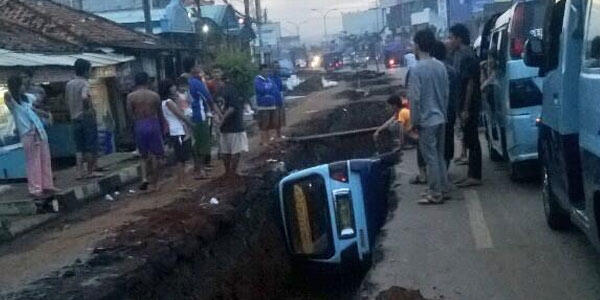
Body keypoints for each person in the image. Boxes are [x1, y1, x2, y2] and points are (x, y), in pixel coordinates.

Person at [408, 29, 450, 204]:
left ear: (417, 45)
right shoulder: (440, 66)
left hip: (426, 120)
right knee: (439, 156)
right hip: (441, 117)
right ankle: (443, 188)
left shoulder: (416, 70)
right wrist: (444, 114)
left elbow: (414, 98)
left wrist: (414, 122)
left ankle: (435, 193)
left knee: (430, 158)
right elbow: (446, 93)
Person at [4, 75, 59, 197]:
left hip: (38, 130)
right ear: (16, 87)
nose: (25, 87)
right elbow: (8, 95)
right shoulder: (13, 101)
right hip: (28, 133)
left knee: (45, 159)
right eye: (22, 85)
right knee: (33, 162)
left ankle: (47, 185)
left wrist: (44, 114)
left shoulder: (27, 99)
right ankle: (35, 189)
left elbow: (34, 109)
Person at [448, 23, 482, 187]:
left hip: (468, 104)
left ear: (459, 38)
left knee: (472, 138)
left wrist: (466, 109)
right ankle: (471, 173)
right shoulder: (459, 54)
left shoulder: (466, 55)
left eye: (451, 37)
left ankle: (475, 175)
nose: (450, 41)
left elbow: (469, 83)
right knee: (468, 138)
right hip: (462, 103)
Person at [127, 72, 165, 192]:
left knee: (143, 156)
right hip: (153, 123)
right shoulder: (154, 95)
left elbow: (129, 114)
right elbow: (160, 113)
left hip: (139, 123)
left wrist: (135, 125)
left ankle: (144, 178)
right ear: (147, 81)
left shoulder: (131, 97)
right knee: (155, 154)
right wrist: (163, 127)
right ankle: (155, 183)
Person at [65, 59, 102, 179]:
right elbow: (85, 97)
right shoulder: (84, 83)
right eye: (90, 70)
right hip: (85, 117)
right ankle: (90, 171)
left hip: (74, 117)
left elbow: (67, 101)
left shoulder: (69, 84)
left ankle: (79, 173)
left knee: (79, 147)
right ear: (86, 71)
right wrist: (89, 110)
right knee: (91, 145)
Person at [184, 59, 220, 179]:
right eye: (197, 64)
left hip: (189, 115)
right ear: (192, 68)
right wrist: (216, 112)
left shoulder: (187, 82)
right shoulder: (196, 82)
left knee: (196, 143)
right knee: (203, 143)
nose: (199, 67)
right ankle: (201, 170)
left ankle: (198, 168)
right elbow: (208, 98)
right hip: (199, 115)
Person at [159, 79, 194, 191]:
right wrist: (191, 125)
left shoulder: (167, 102)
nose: (175, 88)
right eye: (173, 86)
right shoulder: (168, 102)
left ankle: (182, 182)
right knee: (181, 159)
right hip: (178, 131)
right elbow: (180, 115)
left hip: (177, 130)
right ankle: (181, 183)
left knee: (182, 159)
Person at [431, 40, 460, 169]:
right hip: (450, 111)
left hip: (434, 112)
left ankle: (436, 172)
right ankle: (445, 166)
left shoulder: (431, 70)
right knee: (448, 138)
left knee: (434, 142)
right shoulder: (451, 70)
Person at [219, 70, 249, 183]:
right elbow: (232, 108)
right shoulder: (232, 90)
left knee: (225, 151)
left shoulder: (219, 91)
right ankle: (232, 173)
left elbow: (214, 106)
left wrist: (219, 120)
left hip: (224, 127)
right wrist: (223, 119)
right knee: (236, 151)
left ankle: (227, 172)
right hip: (235, 125)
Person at [255, 65, 279, 146]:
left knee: (272, 123)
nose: (266, 72)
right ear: (260, 71)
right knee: (264, 124)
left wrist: (268, 90)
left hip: (272, 104)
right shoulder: (257, 80)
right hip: (263, 105)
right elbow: (261, 90)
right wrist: (268, 89)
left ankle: (270, 140)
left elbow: (274, 89)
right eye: (264, 71)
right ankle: (264, 141)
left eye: (267, 71)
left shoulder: (269, 79)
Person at [269, 62, 286, 140]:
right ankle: (272, 135)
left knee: (279, 118)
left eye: (278, 67)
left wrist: (282, 100)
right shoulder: (269, 79)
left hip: (279, 101)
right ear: (272, 68)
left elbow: (281, 90)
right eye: (276, 67)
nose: (277, 69)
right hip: (271, 102)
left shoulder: (278, 78)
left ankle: (279, 134)